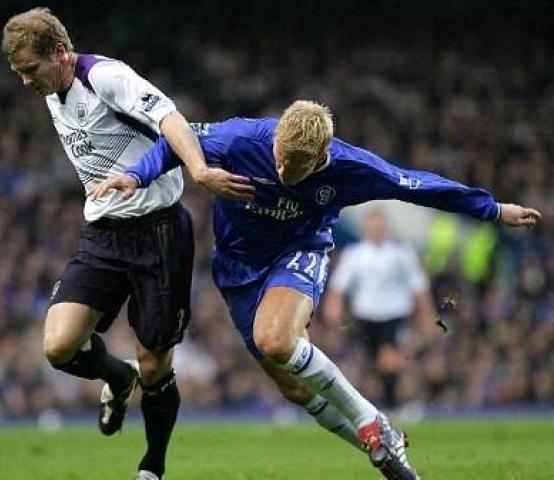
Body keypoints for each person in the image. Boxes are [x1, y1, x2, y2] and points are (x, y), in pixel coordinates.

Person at [89, 100, 541, 480]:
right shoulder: (242, 140)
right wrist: (138, 175)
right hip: (238, 268)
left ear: (321, 155)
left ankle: (371, 420)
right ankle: (381, 448)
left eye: (296, 164)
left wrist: (494, 209)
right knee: (295, 390)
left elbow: (417, 185)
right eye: (280, 156)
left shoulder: (350, 167)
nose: (283, 167)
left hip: (299, 252)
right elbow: (173, 139)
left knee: (276, 339)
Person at [1, 8, 252, 480]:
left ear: (60, 52)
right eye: (18, 74)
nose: (25, 82)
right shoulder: (54, 90)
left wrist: (198, 171)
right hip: (103, 234)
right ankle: (117, 378)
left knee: (155, 365)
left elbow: (170, 117)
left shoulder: (107, 77)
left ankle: (152, 467)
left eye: (29, 71)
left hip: (159, 233)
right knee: (59, 345)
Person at [324, 209, 437, 409]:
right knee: (373, 364)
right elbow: (339, 285)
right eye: (372, 225)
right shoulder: (355, 254)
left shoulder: (401, 253)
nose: (376, 229)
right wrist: (334, 306)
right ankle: (384, 404)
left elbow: (419, 285)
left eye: (380, 225)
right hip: (364, 316)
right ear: (366, 228)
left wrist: (427, 315)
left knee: (389, 360)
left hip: (393, 314)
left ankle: (394, 404)